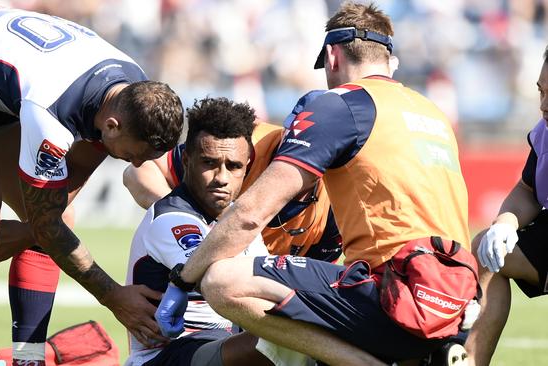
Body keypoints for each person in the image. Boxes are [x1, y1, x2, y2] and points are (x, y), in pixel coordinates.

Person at [155, 2, 474, 365]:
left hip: (396, 296)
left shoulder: (340, 104)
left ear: (332, 56)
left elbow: (249, 213)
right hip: (456, 302)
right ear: (389, 60)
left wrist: (182, 281)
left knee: (220, 280)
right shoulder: (432, 113)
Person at [0, 6, 183, 366]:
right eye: (136, 154)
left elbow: (55, 210)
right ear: (112, 126)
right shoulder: (51, 113)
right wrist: (113, 296)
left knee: (58, 216)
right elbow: (47, 227)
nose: (139, 164)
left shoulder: (129, 92)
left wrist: (46, 227)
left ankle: (28, 359)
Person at [124, 97, 273, 366]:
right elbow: (221, 279)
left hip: (219, 344)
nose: (222, 178)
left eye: (234, 166)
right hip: (166, 356)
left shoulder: (237, 216)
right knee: (282, 341)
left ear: (247, 166)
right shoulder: (171, 219)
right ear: (187, 160)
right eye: (210, 163)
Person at [123, 100, 342, 262]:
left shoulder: (340, 199)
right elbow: (138, 172)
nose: (296, 144)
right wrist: (187, 218)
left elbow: (314, 284)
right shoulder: (241, 149)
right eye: (294, 132)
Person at [464, 48, 548, 366]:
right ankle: (470, 361)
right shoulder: (544, 133)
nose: (544, 105)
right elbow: (526, 190)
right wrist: (505, 223)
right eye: (541, 91)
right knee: (487, 252)